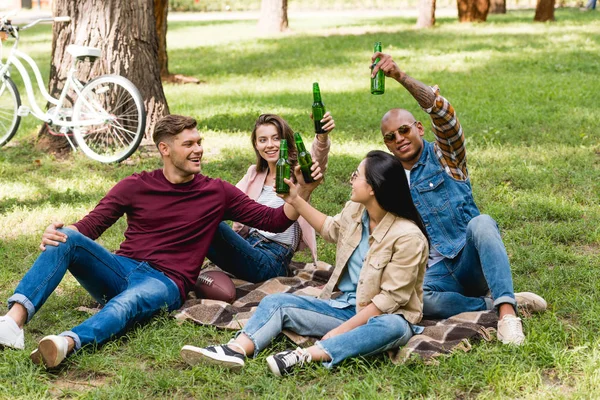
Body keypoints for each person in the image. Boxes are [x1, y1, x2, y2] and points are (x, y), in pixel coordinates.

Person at [0, 114, 317, 369]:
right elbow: (89, 227)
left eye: (199, 142)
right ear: (165, 149)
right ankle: (13, 324)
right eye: (188, 144)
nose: (198, 150)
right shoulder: (135, 185)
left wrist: (301, 192)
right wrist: (57, 234)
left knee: (128, 302)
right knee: (68, 237)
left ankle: (67, 342)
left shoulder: (216, 192)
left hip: (166, 281)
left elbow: (273, 220)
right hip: (120, 267)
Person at [180, 150, 429, 377]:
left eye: (356, 176)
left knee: (394, 328)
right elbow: (330, 229)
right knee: (277, 302)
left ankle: (304, 356)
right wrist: (296, 199)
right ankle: (235, 350)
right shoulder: (356, 210)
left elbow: (388, 301)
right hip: (343, 307)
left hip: (383, 316)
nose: (351, 180)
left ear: (373, 187)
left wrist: (338, 332)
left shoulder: (408, 237)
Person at [370, 53, 547, 345]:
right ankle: (496, 304)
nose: (399, 138)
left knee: (482, 223)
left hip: (469, 260)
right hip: (436, 274)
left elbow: (445, 117)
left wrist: (401, 78)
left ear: (418, 128)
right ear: (386, 144)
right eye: (390, 137)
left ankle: (507, 316)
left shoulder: (445, 157)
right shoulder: (390, 180)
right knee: (415, 299)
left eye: (404, 129)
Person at [206, 113, 334, 282]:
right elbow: (231, 202)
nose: (270, 145)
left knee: (211, 225)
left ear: (285, 142)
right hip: (248, 246)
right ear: (256, 145)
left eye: (276, 138)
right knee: (204, 217)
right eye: (263, 140)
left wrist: (322, 137)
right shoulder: (254, 173)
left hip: (273, 258)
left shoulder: (297, 174)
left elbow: (317, 160)